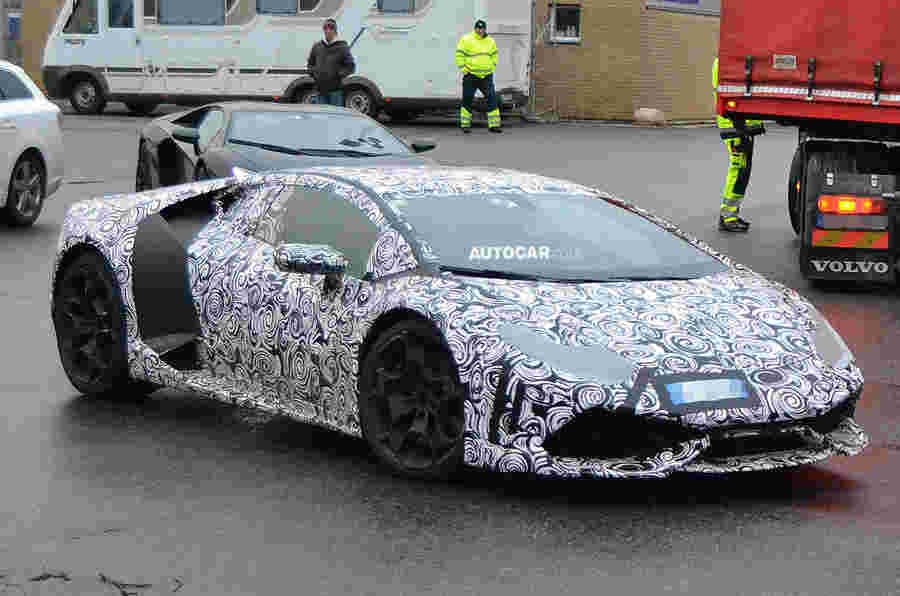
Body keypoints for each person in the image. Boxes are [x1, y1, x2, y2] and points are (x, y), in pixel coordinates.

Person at [713, 56, 763, 232]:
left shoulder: (729, 61)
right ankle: (728, 217)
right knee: (739, 169)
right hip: (735, 127)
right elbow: (730, 94)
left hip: (740, 126)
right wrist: (740, 127)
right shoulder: (726, 62)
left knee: (742, 170)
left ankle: (730, 214)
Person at [455, 19, 502, 134]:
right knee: (467, 99)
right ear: (475, 28)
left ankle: (494, 125)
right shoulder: (466, 39)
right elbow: (459, 54)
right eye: (478, 28)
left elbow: (494, 54)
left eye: (482, 28)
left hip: (486, 76)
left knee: (492, 98)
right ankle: (465, 125)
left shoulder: (490, 41)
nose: (480, 30)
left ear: (485, 29)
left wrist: (492, 66)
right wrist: (464, 69)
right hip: (471, 75)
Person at [307, 18, 355, 107]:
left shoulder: (342, 47)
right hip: (320, 90)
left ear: (335, 31)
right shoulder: (317, 46)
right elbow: (310, 63)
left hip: (335, 90)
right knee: (321, 116)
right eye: (325, 28)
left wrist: (338, 74)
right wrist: (314, 74)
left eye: (331, 28)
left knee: (335, 117)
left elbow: (351, 66)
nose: (328, 31)